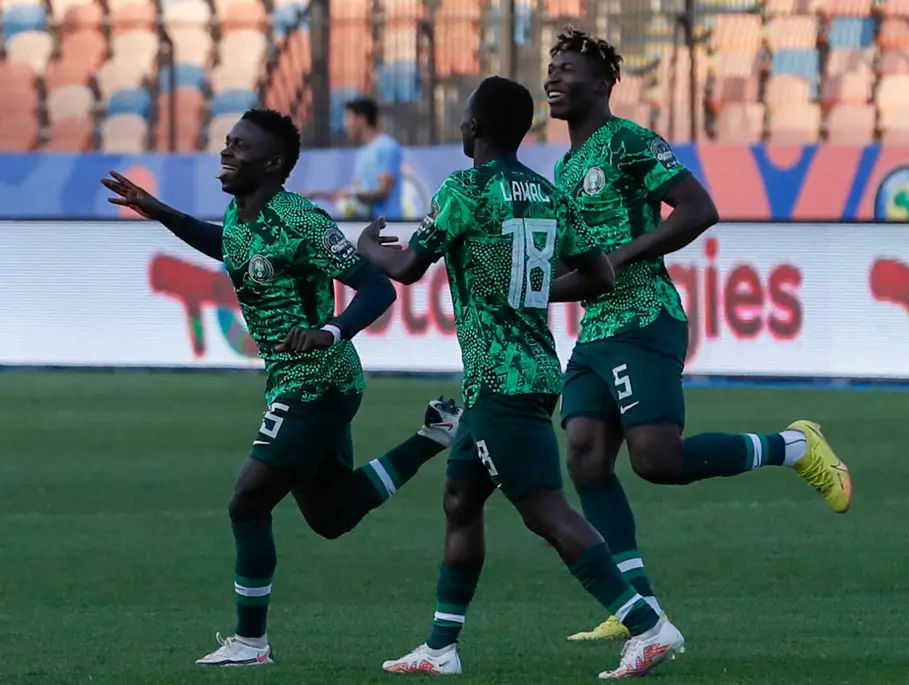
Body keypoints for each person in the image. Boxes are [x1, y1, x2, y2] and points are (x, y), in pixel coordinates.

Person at [101, 108, 463, 667]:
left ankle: (251, 642)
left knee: (248, 502)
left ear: (271, 163)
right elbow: (228, 244)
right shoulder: (242, 214)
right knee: (331, 515)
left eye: (238, 146)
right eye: (227, 142)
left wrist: (330, 330)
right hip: (294, 381)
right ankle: (434, 435)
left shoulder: (302, 221)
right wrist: (157, 210)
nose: (226, 152)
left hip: (317, 382)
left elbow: (376, 288)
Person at [358, 75, 686, 680]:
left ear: (477, 128)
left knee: (544, 511)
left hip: (503, 381)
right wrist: (531, 296)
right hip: (521, 372)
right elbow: (601, 276)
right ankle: (441, 647)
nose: (461, 127)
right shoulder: (545, 193)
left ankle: (648, 627)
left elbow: (406, 267)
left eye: (464, 118)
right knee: (461, 499)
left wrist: (367, 248)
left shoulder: (464, 189)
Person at [543, 26, 853, 642]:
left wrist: (623, 256)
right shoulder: (566, 165)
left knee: (658, 461)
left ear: (603, 83)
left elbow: (698, 208)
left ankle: (794, 445)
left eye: (569, 68)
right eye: (550, 67)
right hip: (596, 330)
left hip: (643, 319)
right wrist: (528, 287)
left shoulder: (628, 141)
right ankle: (640, 609)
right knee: (584, 454)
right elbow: (578, 266)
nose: (553, 77)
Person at [309, 97, 404, 220]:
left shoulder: (386, 146)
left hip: (388, 226)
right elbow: (360, 190)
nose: (345, 124)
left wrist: (350, 195)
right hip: (366, 226)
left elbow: (382, 191)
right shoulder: (362, 152)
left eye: (348, 118)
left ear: (361, 119)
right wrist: (318, 194)